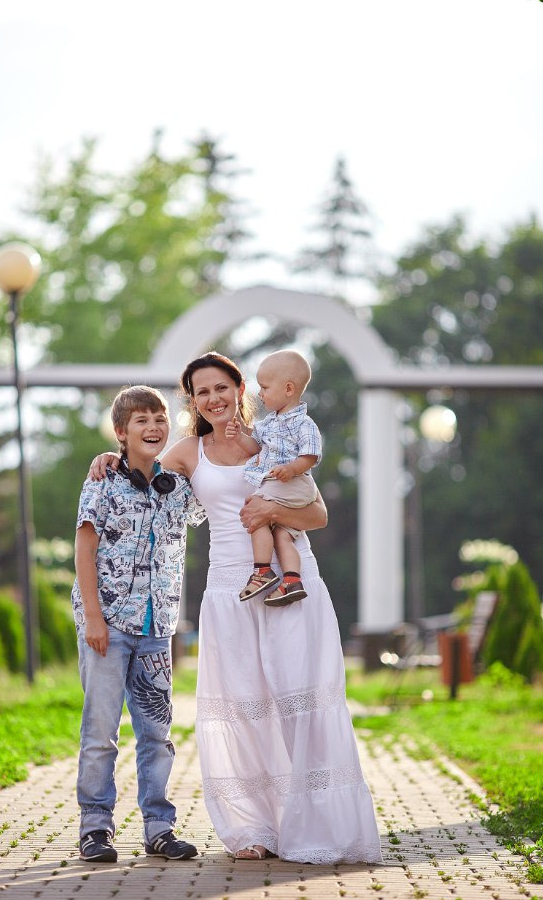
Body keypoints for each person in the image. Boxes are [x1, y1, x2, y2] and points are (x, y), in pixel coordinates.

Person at [89, 352, 382, 865]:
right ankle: (253, 827)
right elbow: (140, 465)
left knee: (300, 704)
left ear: (240, 388)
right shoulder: (187, 452)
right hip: (230, 589)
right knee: (245, 708)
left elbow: (317, 512)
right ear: (193, 402)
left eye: (221, 387)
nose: (214, 399)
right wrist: (107, 458)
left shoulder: (274, 438)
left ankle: (316, 827)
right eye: (202, 392)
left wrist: (272, 509)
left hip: (293, 584)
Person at [73, 385, 205, 863]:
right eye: (141, 420)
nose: (153, 427)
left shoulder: (178, 486)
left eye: (160, 419)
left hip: (157, 626)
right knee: (101, 731)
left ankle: (159, 827)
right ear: (121, 432)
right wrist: (93, 616)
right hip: (107, 624)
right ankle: (95, 829)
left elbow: (217, 491)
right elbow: (84, 550)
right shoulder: (102, 481)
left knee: (157, 733)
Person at [224, 349, 322, 607]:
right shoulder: (268, 424)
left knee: (256, 514)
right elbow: (254, 447)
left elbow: (311, 455)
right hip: (284, 485)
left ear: (289, 389)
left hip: (293, 482)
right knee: (283, 534)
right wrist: (238, 437)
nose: (260, 394)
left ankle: (262, 571)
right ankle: (292, 580)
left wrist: (292, 468)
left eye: (265, 387)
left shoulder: (303, 423)